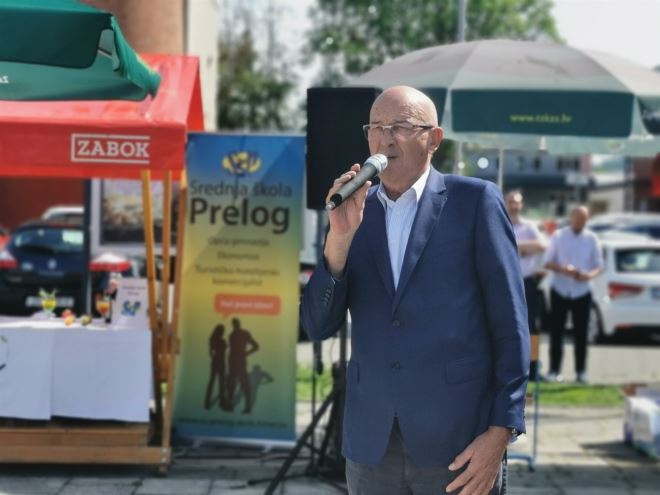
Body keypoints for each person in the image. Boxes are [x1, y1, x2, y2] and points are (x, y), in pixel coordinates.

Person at [301, 86, 529, 495]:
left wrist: (501, 432)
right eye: (376, 128)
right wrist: (338, 239)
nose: (385, 139)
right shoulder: (355, 212)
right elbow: (317, 326)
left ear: (434, 139)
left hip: (458, 440)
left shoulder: (474, 202)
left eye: (401, 127)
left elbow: (510, 327)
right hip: (371, 445)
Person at [543, 206, 603, 384]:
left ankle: (581, 371)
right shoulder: (559, 236)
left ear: (587, 219)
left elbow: (599, 265)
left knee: (581, 333)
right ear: (571, 217)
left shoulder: (592, 238)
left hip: (582, 290)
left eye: (583, 219)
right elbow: (547, 262)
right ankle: (554, 370)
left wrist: (588, 275)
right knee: (557, 331)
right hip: (560, 288)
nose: (579, 222)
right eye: (577, 218)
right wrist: (564, 269)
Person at [505, 190, 547, 381]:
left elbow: (542, 245)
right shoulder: (500, 222)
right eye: (511, 202)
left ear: (521, 205)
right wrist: (524, 248)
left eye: (517, 202)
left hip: (527, 283)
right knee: (507, 326)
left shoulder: (529, 226)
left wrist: (515, 246)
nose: (514, 205)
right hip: (505, 283)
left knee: (532, 327)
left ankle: (533, 367)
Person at [226, 317, 259, 413]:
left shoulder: (243, 333)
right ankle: (231, 406)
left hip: (239, 361)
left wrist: (246, 353)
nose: (234, 325)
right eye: (234, 324)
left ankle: (247, 407)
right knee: (232, 384)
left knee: (243, 384)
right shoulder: (232, 334)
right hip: (233, 362)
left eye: (235, 323)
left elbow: (256, 346)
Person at [205, 324, 228, 410]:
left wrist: (214, 358)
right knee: (221, 383)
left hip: (215, 362)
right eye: (223, 331)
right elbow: (225, 349)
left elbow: (211, 353)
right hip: (221, 363)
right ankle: (222, 402)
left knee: (212, 382)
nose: (223, 332)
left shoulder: (212, 339)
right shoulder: (222, 341)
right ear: (220, 331)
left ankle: (207, 402)